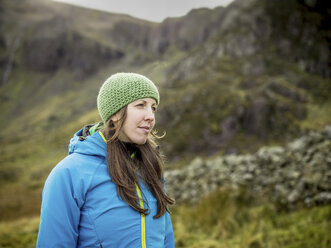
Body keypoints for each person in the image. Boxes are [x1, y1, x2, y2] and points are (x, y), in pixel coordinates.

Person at [36, 72, 175, 247]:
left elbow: (166, 238)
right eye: (141, 105)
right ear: (116, 113)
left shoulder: (150, 166)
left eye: (153, 107)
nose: (151, 116)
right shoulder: (69, 173)